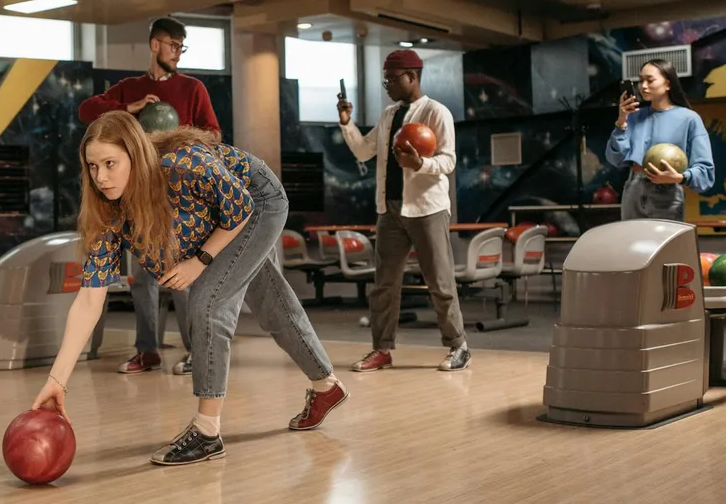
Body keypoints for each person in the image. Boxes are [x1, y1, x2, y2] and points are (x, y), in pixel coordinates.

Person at [31, 111, 346, 466]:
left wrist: (199, 261)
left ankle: (207, 432)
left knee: (209, 304)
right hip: (220, 217)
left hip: (256, 201)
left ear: (136, 155)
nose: (101, 177)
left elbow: (240, 208)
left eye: (110, 163)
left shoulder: (182, 165)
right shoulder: (108, 209)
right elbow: (90, 298)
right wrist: (57, 380)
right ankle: (326, 387)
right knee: (271, 304)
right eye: (92, 166)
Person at [77, 16, 220, 376]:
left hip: (180, 197)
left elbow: (214, 134)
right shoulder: (130, 88)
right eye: (174, 46)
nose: (178, 54)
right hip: (139, 196)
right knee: (142, 278)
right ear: (156, 45)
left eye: (181, 48)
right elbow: (86, 111)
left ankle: (196, 351)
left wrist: (179, 140)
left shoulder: (192, 88)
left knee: (180, 277)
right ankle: (148, 351)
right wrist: (130, 109)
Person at [337, 49, 470, 373]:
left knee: (439, 281)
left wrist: (420, 163)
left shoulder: (437, 113)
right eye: (385, 80)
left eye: (392, 79)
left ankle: (458, 346)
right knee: (384, 284)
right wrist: (346, 123)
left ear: (412, 76)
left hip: (427, 209)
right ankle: (381, 349)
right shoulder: (387, 115)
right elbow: (364, 151)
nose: (387, 85)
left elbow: (449, 161)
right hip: (390, 210)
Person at [607, 58, 714, 221]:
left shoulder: (689, 119)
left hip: (668, 192)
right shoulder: (633, 117)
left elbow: (705, 170)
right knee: (632, 244)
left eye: (650, 80)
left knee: (665, 244)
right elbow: (616, 159)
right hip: (633, 189)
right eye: (640, 80)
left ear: (668, 84)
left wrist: (679, 178)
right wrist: (621, 121)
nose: (643, 86)